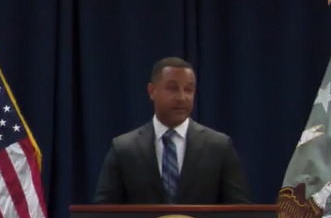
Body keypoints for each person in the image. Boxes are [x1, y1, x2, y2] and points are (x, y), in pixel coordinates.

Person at [93, 57, 250, 204]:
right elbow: (104, 213)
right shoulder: (124, 149)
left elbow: (239, 212)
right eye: (172, 89)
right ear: (152, 91)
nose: (181, 97)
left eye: (188, 90)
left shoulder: (219, 147)